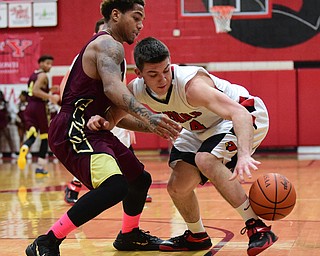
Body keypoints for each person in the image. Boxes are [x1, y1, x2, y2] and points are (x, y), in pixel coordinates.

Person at [87, 37, 278, 255]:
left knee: (205, 159)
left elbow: (238, 113)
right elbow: (114, 118)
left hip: (244, 114)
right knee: (177, 186)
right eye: (153, 74)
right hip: (200, 128)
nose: (162, 79)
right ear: (139, 74)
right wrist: (101, 122)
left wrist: (243, 154)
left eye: (166, 70)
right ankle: (197, 236)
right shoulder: (136, 89)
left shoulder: (191, 86)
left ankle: (258, 227)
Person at [25, 2, 181, 256]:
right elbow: (113, 90)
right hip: (72, 127)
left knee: (139, 180)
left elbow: (113, 117)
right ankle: (47, 241)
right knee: (115, 186)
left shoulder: (112, 51)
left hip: (92, 127)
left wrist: (154, 127)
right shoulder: (108, 44)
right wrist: (149, 116)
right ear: (116, 15)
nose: (141, 25)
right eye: (136, 17)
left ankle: (129, 235)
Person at [62, 18, 152, 205]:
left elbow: (120, 94)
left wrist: (128, 122)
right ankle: (74, 187)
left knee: (126, 154)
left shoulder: (117, 56)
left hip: (108, 114)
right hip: (87, 118)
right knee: (97, 160)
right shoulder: (86, 55)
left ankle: (135, 190)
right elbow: (65, 87)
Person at [17, 55, 60, 175]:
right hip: (40, 107)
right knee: (44, 137)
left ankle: (25, 146)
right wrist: (51, 96)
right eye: (47, 63)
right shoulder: (43, 75)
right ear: (40, 63)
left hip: (29, 106)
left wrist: (49, 90)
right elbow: (36, 91)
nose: (49, 66)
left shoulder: (33, 75)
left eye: (51, 64)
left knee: (32, 133)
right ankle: (40, 168)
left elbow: (33, 91)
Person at [0, 90, 17, 159]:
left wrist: (10, 120)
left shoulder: (6, 104)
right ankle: (0, 153)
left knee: (9, 137)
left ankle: (13, 152)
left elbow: (10, 112)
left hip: (4, 124)